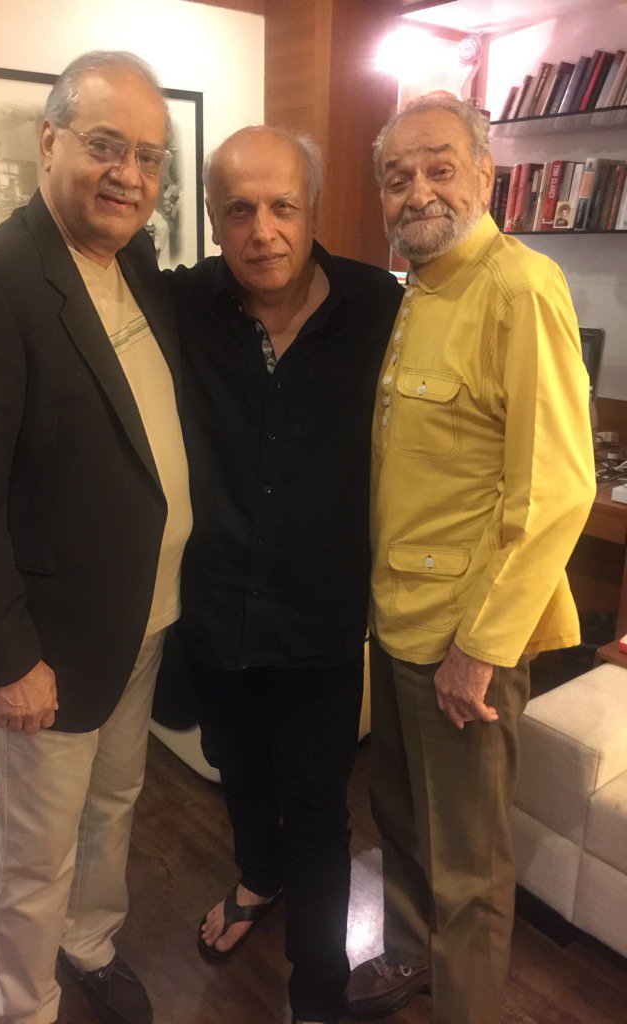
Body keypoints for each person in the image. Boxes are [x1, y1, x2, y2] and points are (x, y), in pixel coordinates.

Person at [0, 50, 191, 1024]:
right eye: (106, 145)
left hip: (144, 620)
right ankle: (24, 1004)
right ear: (48, 141)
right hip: (51, 647)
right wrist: (10, 657)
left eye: (149, 157)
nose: (129, 174)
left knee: (115, 805)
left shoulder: (138, 269)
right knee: (37, 848)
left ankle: (90, 943)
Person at [344, 92, 595, 1024]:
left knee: (471, 866)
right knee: (402, 820)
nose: (417, 191)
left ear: (485, 176)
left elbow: (556, 489)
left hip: (465, 643)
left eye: (439, 168)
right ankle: (411, 960)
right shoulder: (417, 291)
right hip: (398, 624)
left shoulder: (520, 288)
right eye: (396, 176)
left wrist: (479, 650)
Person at [163, 126, 401, 1024]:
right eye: (239, 209)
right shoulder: (182, 303)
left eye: (282, 207)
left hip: (320, 623)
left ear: (313, 210)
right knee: (237, 771)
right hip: (214, 611)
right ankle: (256, 878)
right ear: (213, 219)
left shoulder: (381, 306)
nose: (262, 230)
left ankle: (317, 991)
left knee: (317, 812)